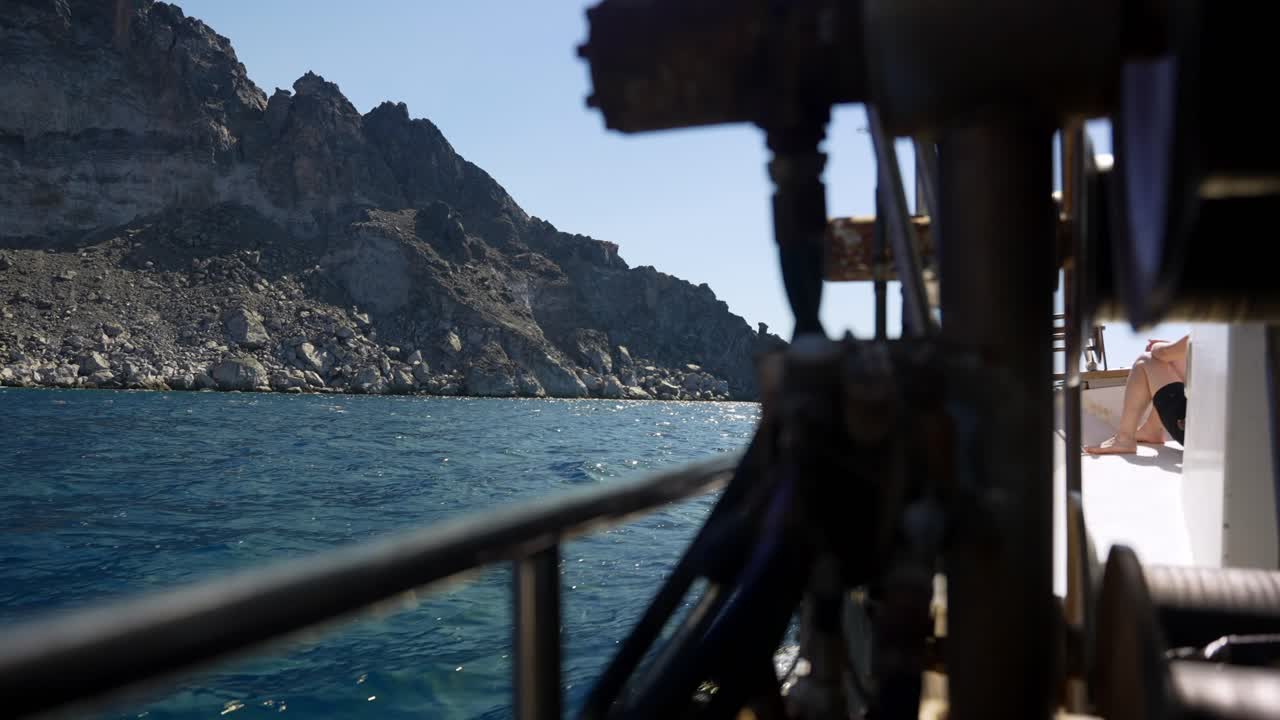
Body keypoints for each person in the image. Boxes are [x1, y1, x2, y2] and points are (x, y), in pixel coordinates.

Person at [1084, 334, 1190, 454]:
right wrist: (1176, 348)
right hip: (1213, 435)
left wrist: (1157, 346)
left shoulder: (1206, 334)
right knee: (1175, 359)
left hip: (1199, 435)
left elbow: (1164, 353)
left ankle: (1124, 439)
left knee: (1145, 360)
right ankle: (1151, 429)